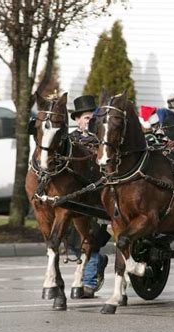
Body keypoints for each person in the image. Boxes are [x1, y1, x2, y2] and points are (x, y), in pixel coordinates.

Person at [68, 95, 110, 298]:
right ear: (77, 120)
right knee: (71, 241)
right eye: (85, 117)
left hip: (98, 195)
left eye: (92, 117)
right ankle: (98, 263)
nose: (89, 121)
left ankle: (89, 282)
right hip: (74, 196)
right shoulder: (69, 141)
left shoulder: (102, 140)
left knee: (91, 238)